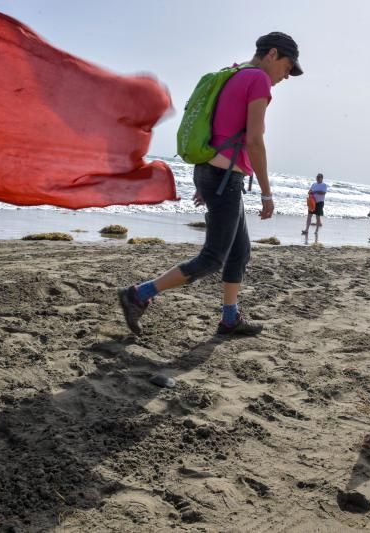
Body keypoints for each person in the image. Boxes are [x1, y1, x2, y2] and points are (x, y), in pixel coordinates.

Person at [118, 31, 303, 336]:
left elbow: (214, 127)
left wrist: (205, 181)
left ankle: (230, 318)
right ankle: (138, 294)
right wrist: (267, 195)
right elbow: (255, 141)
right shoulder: (258, 80)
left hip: (212, 172)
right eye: (287, 66)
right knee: (213, 257)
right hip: (223, 178)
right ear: (272, 54)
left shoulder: (231, 73)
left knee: (239, 252)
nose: (286, 75)